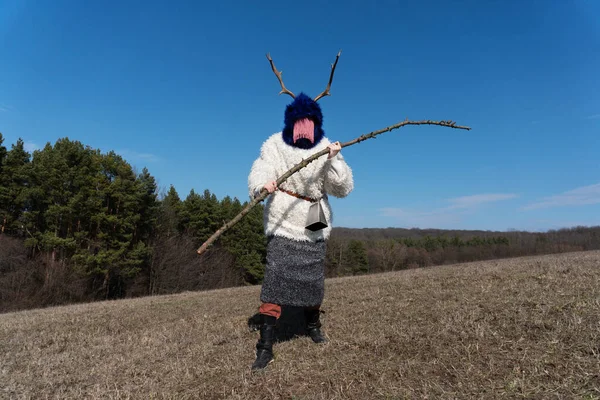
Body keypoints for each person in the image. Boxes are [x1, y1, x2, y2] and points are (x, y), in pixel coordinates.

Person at [247, 92, 354, 370]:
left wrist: (335, 159)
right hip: (283, 216)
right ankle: (265, 345)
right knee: (275, 277)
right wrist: (262, 185)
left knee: (312, 278)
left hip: (314, 215)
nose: (304, 127)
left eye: (309, 121)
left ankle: (313, 326)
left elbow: (341, 188)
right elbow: (261, 167)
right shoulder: (274, 144)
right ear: (291, 121)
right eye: (299, 121)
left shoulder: (326, 146)